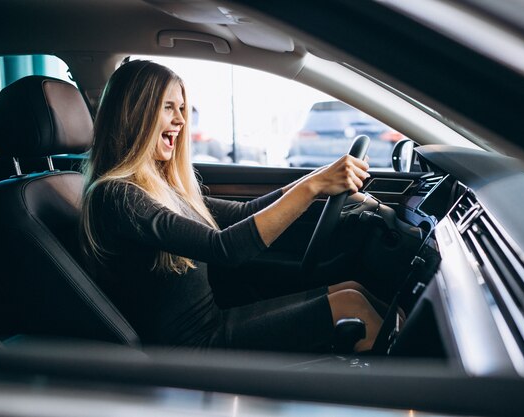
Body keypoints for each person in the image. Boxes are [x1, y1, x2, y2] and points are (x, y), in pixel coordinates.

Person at [80, 60, 383, 353]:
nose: (181, 120)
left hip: (215, 323)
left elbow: (243, 213)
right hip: (192, 349)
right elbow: (224, 249)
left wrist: (320, 177)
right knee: (352, 308)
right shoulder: (117, 196)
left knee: (352, 291)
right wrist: (313, 186)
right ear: (135, 114)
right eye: (168, 107)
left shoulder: (162, 188)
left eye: (182, 108)